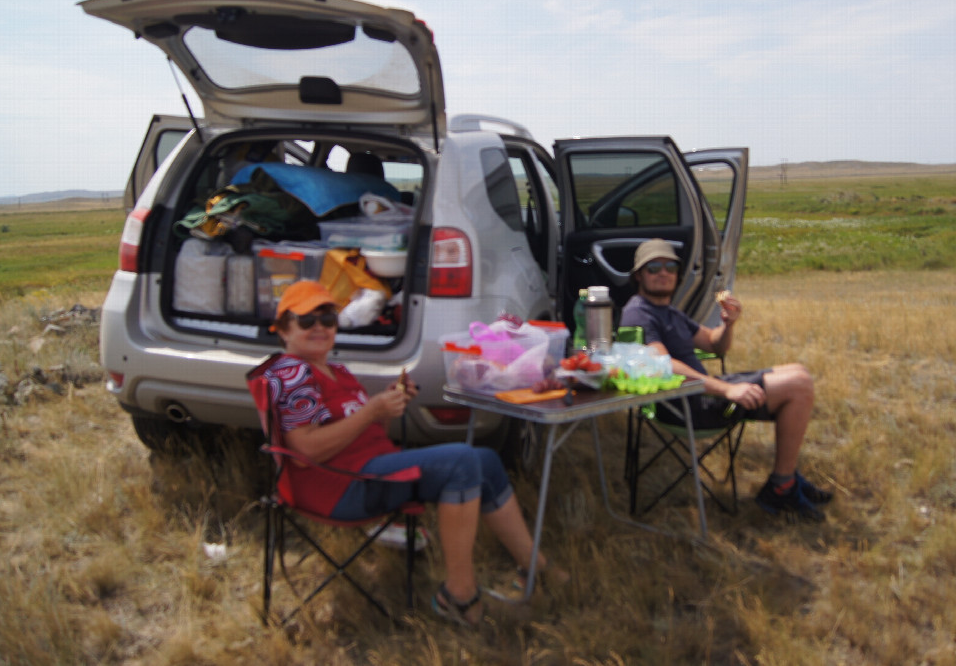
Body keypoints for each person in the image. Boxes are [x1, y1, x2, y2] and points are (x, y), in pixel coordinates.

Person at [252, 280, 564, 626]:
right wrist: (371, 410)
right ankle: (459, 596)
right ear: (283, 330)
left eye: (327, 319)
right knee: (461, 461)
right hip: (336, 487)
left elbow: (367, 437)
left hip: (365, 471)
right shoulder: (292, 372)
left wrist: (386, 407)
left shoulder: (337, 372)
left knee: (485, 461)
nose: (320, 328)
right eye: (306, 321)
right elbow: (304, 450)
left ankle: (537, 570)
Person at [619, 239, 833, 522]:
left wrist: (727, 324)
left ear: (678, 274)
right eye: (653, 267)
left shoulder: (669, 312)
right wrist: (727, 389)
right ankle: (782, 487)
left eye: (670, 266)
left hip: (702, 393)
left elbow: (714, 345)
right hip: (685, 407)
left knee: (799, 372)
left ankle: (788, 477)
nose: (663, 272)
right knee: (798, 387)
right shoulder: (638, 312)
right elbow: (663, 365)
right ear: (639, 275)